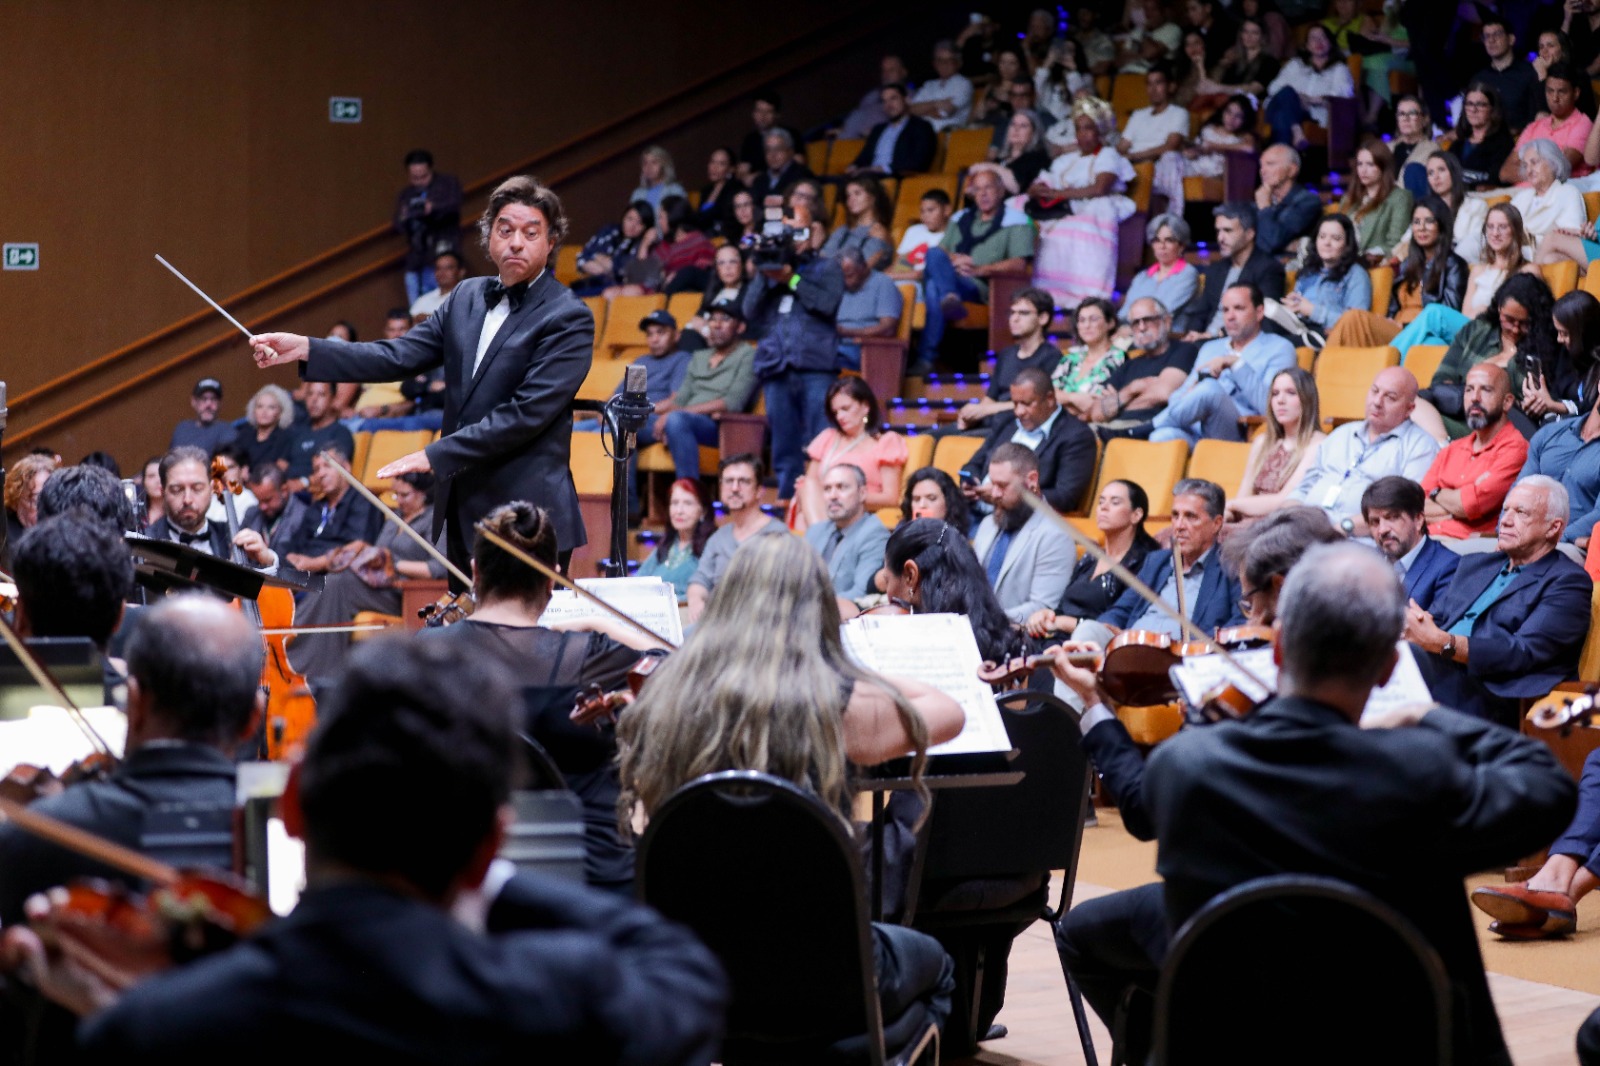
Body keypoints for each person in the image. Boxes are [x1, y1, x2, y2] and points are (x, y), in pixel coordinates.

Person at [29, 630, 725, 1062]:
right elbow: (683, 969)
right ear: (489, 848)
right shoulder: (561, 1000)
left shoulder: (147, 1033)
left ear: (292, 802)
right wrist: (487, 866)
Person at [1049, 539, 1575, 1065]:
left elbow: (1140, 808)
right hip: (1396, 1041)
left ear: (1277, 649)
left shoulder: (1186, 765)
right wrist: (1423, 714)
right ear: (1390, 667)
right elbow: (1549, 789)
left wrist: (1096, 702)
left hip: (1230, 1044)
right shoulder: (1419, 770)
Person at [615, 532, 960, 1043]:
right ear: (817, 610)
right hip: (820, 967)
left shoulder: (666, 698)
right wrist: (849, 669)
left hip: (688, 962)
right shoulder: (839, 709)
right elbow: (948, 710)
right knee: (937, 968)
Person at [251, 176, 593, 578]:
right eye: (506, 230)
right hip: (465, 508)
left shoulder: (568, 316)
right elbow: (397, 355)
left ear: (551, 242)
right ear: (488, 238)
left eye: (531, 233)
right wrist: (310, 348)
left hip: (528, 514)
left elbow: (525, 415)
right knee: (466, 636)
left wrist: (435, 454)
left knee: (520, 638)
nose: (516, 242)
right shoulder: (465, 296)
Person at [421, 502, 670, 893]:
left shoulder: (432, 653)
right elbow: (674, 664)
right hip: (591, 882)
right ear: (554, 579)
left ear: (474, 571)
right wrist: (597, 621)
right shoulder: (590, 654)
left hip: (465, 875)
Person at [1406, 476, 1593, 727]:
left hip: (1497, 690)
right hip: (1441, 666)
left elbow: (1523, 652)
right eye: (1505, 510)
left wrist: (1445, 644)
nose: (1504, 520)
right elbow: (1437, 618)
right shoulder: (1476, 564)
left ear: (1553, 528)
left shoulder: (1568, 581)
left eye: (1521, 512)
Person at [287, 470, 445, 683]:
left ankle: (303, 657)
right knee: (333, 581)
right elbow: (379, 550)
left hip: (404, 593)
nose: (398, 501)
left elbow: (437, 569)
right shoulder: (396, 517)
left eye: (405, 495)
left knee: (338, 584)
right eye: (395, 495)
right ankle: (296, 643)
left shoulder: (436, 520)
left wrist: (394, 563)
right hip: (377, 584)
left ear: (424, 494)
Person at [1069, 478, 1244, 652]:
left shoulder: (1231, 567)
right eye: (1175, 516)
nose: (1179, 526)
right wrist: (1110, 627)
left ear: (1216, 523)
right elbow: (1121, 610)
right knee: (1088, 630)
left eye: (1191, 517)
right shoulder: (1157, 561)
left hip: (1182, 658)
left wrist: (1196, 649)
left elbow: (1239, 625)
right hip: (1130, 649)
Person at [744, 207, 843, 502]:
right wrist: (766, 273)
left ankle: (824, 501)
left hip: (816, 366)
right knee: (784, 443)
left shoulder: (827, 267)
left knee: (820, 438)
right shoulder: (767, 270)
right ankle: (788, 501)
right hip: (776, 367)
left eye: (797, 232)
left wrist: (792, 278)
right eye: (784, 233)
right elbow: (749, 311)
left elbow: (826, 304)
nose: (791, 240)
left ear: (811, 232)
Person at [915, 168, 1035, 375]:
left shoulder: (1017, 220)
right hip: (954, 280)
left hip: (985, 288)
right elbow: (942, 253)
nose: (983, 194)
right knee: (934, 255)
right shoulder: (961, 217)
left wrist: (979, 269)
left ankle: (927, 358)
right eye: (977, 189)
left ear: (1000, 190)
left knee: (935, 285)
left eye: (988, 187)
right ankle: (949, 296)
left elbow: (1018, 264)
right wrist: (955, 261)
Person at [1413, 271, 1559, 442]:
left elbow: (1544, 400)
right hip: (1457, 413)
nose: (1516, 329)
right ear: (1499, 309)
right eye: (1509, 320)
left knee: (1413, 427)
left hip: (1499, 426)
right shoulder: (1477, 330)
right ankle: (1444, 446)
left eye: (1525, 323)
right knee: (1408, 407)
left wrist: (1536, 404)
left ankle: (1445, 447)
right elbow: (1442, 378)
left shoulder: (1545, 347)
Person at [1291, 367, 1440, 533]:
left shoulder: (1420, 447)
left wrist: (1342, 529)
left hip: (1356, 539)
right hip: (1305, 529)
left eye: (1390, 398)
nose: (1377, 401)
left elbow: (1403, 509)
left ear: (1409, 409)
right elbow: (1303, 489)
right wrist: (1283, 518)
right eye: (1374, 391)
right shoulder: (1341, 434)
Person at [1149, 282, 1298, 446]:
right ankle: (1151, 429)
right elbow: (1177, 397)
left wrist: (1237, 365)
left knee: (1210, 389)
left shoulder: (1280, 348)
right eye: (1225, 310)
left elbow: (1271, 406)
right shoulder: (1210, 348)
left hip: (1235, 430)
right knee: (1160, 436)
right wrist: (1189, 394)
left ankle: (1145, 427)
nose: (1230, 316)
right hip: (1195, 428)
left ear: (1259, 312)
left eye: (1239, 308)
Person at [1388, 202, 1540, 360]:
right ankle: (1394, 382)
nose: (1495, 233)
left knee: (1434, 312)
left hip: (1499, 337)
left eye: (1502, 227)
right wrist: (1480, 313)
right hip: (1471, 333)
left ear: (1515, 231)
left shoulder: (1528, 270)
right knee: (1430, 343)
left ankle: (1384, 364)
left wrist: (1489, 313)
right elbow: (1466, 314)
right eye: (1490, 227)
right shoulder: (1478, 270)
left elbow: (1530, 318)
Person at [1030, 97, 1137, 310]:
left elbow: (1100, 188)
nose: (1083, 134)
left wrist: (1059, 194)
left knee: (1075, 227)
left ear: (1100, 130)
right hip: (1063, 206)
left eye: (1088, 128)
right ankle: (1051, 294)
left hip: (1094, 205)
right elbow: (1043, 183)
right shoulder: (1065, 159)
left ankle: (1086, 295)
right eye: (1079, 129)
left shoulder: (1108, 155)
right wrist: (1037, 189)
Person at [1024, 479, 1161, 639]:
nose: (1103, 507)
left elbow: (1119, 620)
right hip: (1056, 636)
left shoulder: (1145, 562)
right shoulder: (1090, 557)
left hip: (1094, 644)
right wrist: (1046, 614)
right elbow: (1063, 605)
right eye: (1101, 501)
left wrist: (1064, 623)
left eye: (1115, 502)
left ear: (1136, 515)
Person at [1326, 197, 1469, 349]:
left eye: (1429, 221)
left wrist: (1406, 325)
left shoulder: (1454, 264)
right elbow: (1394, 308)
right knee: (1351, 320)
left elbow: (1448, 314)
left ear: (1441, 225)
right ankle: (1325, 370)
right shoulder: (1408, 264)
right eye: (1416, 222)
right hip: (1395, 329)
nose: (1421, 228)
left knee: (1355, 318)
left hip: (1418, 330)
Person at [881, 517, 1029, 664]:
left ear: (910, 575)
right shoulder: (1011, 643)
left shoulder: (908, 652)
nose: (887, 597)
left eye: (887, 580)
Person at [962, 367, 1098, 514]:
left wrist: (1008, 495)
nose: (1018, 411)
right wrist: (971, 484)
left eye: (1026, 404)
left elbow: (1065, 497)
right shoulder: (1007, 421)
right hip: (972, 510)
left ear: (1050, 399)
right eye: (1015, 404)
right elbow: (974, 464)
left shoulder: (1075, 436)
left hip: (1019, 521)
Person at [651, 300, 759, 482]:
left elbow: (732, 403)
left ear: (740, 327)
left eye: (725, 319)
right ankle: (628, 501)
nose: (716, 324)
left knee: (677, 420)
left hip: (718, 426)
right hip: (682, 420)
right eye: (712, 319)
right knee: (625, 425)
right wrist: (668, 416)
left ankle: (690, 492)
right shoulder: (700, 357)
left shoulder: (748, 355)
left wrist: (674, 415)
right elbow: (680, 399)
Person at [1418, 364, 1530, 540]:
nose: (1475, 398)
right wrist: (1454, 508)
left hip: (1471, 547)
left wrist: (1437, 492)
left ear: (1507, 402)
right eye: (1469, 390)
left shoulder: (1515, 449)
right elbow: (1418, 507)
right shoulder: (1453, 448)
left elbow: (1468, 505)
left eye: (1486, 390)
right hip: (1428, 540)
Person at [971, 443, 1075, 623]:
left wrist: (986, 622)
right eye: (992, 484)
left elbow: (1042, 608)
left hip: (1017, 638)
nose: (994, 494)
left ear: (1032, 481)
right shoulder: (988, 524)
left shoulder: (1055, 535)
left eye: (1002, 486)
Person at [795, 376, 907, 528]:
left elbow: (891, 497)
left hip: (858, 513)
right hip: (822, 510)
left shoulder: (885, 442)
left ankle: (822, 541)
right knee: (806, 491)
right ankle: (823, 539)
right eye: (835, 412)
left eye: (845, 409)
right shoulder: (828, 437)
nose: (840, 417)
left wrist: (846, 498)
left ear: (865, 406)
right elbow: (810, 484)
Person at [685, 454, 787, 622]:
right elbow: (700, 579)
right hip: (717, 624)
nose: (734, 488)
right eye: (728, 481)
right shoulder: (719, 537)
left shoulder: (777, 535)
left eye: (744, 481)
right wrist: (695, 601)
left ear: (759, 490)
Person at [950, 288, 1063, 435]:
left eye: (1023, 313)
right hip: (990, 422)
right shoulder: (1006, 354)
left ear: (1043, 318)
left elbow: (1036, 405)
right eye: (1012, 312)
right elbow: (990, 399)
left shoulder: (1051, 356)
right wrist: (973, 414)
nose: (1014, 318)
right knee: (929, 437)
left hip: (1015, 426)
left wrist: (988, 409)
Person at [146, 446, 277, 569]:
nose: (187, 499)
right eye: (176, 490)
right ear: (162, 492)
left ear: (212, 488)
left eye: (197, 488)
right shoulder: (145, 542)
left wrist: (268, 561)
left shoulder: (230, 535)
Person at [1226, 367, 1326, 524]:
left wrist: (1231, 505)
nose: (1280, 400)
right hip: (1247, 522)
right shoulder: (1262, 442)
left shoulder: (1318, 444)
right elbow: (1244, 494)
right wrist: (1227, 513)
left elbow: (1284, 500)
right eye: (1275, 393)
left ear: (1307, 399)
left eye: (1291, 393)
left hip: (1283, 526)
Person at [1082, 298, 1199, 432]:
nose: (1142, 328)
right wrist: (1133, 389)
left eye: (1148, 320)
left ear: (1166, 322)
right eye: (1136, 323)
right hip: (1112, 427)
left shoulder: (1183, 350)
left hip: (1148, 426)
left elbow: (1163, 393)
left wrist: (1117, 402)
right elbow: (1097, 413)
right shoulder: (1129, 364)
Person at [1174, 203, 1286, 339]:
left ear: (1249, 234)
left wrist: (1215, 335)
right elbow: (1200, 314)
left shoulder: (1268, 269)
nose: (1220, 238)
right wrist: (1193, 334)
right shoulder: (1215, 269)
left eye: (1228, 231)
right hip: (1204, 342)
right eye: (1218, 231)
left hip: (1238, 342)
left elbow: (1267, 321)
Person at [1360, 475, 1460, 613]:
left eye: (1393, 518)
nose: (1382, 530)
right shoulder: (1365, 563)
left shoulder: (1449, 567)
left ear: (1418, 520)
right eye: (1375, 522)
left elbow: (1434, 629)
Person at [1152, 94, 1259, 221]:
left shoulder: (1244, 136)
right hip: (1194, 164)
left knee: (1168, 172)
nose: (1231, 119)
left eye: (1238, 116)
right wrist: (1192, 151)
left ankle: (1172, 215)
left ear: (1245, 119)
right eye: (1228, 112)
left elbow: (1249, 148)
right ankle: (1171, 211)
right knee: (1168, 157)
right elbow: (1197, 148)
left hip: (1212, 171)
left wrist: (1214, 146)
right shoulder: (1210, 127)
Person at [278, 449, 382, 574]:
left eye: (327, 466)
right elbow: (295, 545)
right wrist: (291, 557)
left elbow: (361, 546)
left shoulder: (364, 501)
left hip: (336, 575)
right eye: (316, 469)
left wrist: (315, 564)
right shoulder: (316, 507)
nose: (321, 474)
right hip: (300, 574)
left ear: (346, 467)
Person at [804, 464, 892, 602]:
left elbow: (861, 593)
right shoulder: (815, 531)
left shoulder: (874, 534)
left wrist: (812, 607)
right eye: (827, 489)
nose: (832, 496)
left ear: (862, 493)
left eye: (841, 487)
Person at [1279, 213, 1372, 341]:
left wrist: (1312, 311)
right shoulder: (1308, 271)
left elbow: (1355, 325)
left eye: (1336, 238)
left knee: (1277, 342)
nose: (1327, 243)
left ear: (1347, 245)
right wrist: (1292, 306)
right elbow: (1298, 306)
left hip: (1328, 336)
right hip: (1298, 327)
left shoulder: (1356, 274)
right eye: (1322, 237)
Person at [1262, 25, 1355, 151]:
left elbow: (1344, 94)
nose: (1318, 42)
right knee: (1287, 92)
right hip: (1278, 105)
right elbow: (1273, 88)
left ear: (1330, 43)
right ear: (1306, 45)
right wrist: (1297, 98)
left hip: (1312, 114)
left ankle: (1282, 159)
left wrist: (1311, 100)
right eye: (1313, 38)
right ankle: (1297, 131)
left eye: (1323, 37)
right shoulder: (1295, 64)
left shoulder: (1339, 69)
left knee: (1281, 115)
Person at [1501, 62, 1594, 184]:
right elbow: (1505, 172)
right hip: (1523, 195)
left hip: (1558, 195)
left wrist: (1526, 170)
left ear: (1575, 93)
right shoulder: (1535, 126)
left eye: (1562, 91)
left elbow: (1559, 168)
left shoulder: (1583, 124)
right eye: (1550, 91)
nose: (1555, 98)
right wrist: (1537, 174)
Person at [392, 149, 462, 305]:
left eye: (423, 176)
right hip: (416, 258)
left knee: (442, 306)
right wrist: (404, 216)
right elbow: (397, 225)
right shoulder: (406, 194)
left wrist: (433, 207)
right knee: (417, 309)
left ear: (430, 169)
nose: (419, 181)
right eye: (414, 177)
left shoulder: (446, 185)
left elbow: (454, 205)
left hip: (441, 253)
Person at [636, 479, 715, 602]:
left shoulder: (712, 547)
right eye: (674, 503)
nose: (679, 511)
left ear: (703, 511)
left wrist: (667, 601)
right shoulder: (666, 545)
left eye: (688, 503)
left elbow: (710, 595)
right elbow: (638, 582)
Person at [1117, 215, 1200, 328]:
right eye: (1156, 240)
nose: (1162, 246)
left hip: (1170, 337)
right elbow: (1125, 312)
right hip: (1134, 332)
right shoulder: (1142, 277)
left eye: (1169, 240)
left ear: (1181, 246)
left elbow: (1163, 311)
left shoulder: (1188, 274)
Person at [1339, 139, 1413, 260]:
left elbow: (1395, 244)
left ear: (1383, 166)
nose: (1363, 170)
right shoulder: (1348, 198)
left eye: (1370, 164)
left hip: (1371, 265)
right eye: (1360, 164)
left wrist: (1371, 256)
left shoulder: (1399, 198)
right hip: (1340, 260)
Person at [1510, 139, 1588, 254]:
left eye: (1534, 162)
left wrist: (1527, 239)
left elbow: (1571, 238)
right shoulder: (1520, 198)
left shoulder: (1567, 193)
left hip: (1545, 258)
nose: (1529, 170)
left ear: (1553, 162)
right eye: (1526, 165)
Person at [833, 247, 903, 372]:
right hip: (836, 344)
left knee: (822, 359)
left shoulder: (883, 283)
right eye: (841, 276)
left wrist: (847, 332)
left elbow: (888, 328)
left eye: (849, 276)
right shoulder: (838, 285)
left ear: (864, 267)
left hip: (865, 349)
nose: (845, 282)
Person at [849, 83, 937, 177]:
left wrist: (882, 169)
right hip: (868, 176)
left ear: (906, 100)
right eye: (884, 101)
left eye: (893, 98)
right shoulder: (878, 130)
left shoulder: (921, 127)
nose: (888, 105)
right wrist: (854, 166)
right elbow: (864, 157)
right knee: (833, 181)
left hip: (894, 176)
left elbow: (919, 162)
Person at [1251, 144, 1324, 258]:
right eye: (1261, 166)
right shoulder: (1258, 202)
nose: (1263, 171)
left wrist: (1265, 207)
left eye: (1270, 164)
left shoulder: (1308, 201)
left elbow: (1273, 241)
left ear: (1292, 170)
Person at [1473, 15, 1542, 133]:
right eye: (1486, 36)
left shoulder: (1529, 73)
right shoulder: (1479, 79)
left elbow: (1537, 116)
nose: (1491, 40)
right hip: (1485, 142)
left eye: (1497, 34)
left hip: (1520, 141)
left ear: (1511, 39)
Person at [1051, 298, 1127, 406]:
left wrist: (1064, 398)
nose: (1087, 325)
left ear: (1110, 323)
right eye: (1082, 320)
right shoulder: (1071, 358)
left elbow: (1098, 403)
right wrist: (1073, 398)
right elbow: (1049, 394)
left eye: (1094, 319)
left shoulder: (1119, 359)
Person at [572, 201, 654, 297]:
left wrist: (601, 261)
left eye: (639, 223)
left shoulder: (642, 245)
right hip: (590, 284)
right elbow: (583, 255)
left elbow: (626, 271)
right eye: (629, 219)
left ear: (646, 227)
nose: (632, 226)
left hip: (615, 291)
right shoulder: (609, 231)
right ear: (623, 217)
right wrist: (602, 267)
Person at [1116, 66, 1190, 169]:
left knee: (1171, 157)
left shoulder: (1179, 113)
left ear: (1171, 86)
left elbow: (1170, 146)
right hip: (1130, 164)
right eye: (1149, 84)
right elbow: (1122, 146)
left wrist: (1133, 156)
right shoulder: (1138, 115)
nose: (1153, 89)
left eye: (1158, 83)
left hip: (1159, 164)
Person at [285, 381, 356, 486]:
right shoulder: (296, 431)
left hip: (316, 492)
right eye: (310, 394)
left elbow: (336, 473)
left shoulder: (340, 433)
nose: (314, 400)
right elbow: (282, 464)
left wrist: (304, 483)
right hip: (287, 491)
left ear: (333, 399)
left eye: (321, 394)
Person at [1449, 82, 1517, 191]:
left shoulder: (1503, 143)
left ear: (1492, 109)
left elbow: (1495, 181)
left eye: (1480, 104)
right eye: (1469, 104)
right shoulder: (1458, 144)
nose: (1473, 110)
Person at [241, 464, 309, 559]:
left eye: (267, 500)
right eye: (259, 500)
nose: (262, 507)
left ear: (284, 491)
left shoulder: (303, 516)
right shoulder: (252, 513)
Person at [839, 54, 914, 139]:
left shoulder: (912, 97)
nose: (886, 75)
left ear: (903, 72)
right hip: (855, 143)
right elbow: (855, 119)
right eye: (883, 71)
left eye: (891, 70)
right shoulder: (871, 97)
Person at [736, 90, 804, 181]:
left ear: (777, 115)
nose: (762, 116)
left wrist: (762, 176)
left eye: (768, 112)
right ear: (753, 114)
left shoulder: (791, 133)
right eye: (759, 111)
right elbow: (742, 171)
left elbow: (799, 162)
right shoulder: (750, 139)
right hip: (758, 187)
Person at [233, 384, 298, 476]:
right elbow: (233, 460)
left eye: (271, 407)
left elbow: (279, 471)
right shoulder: (244, 433)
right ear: (254, 410)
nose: (264, 411)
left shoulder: (286, 437)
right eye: (260, 406)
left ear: (281, 413)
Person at [910, 40, 975, 132]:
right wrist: (935, 104)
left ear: (958, 63)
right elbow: (911, 110)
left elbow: (944, 112)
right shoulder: (929, 85)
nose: (944, 64)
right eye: (940, 60)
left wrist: (923, 110)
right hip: (923, 134)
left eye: (949, 60)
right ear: (935, 64)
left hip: (950, 136)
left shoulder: (964, 84)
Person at [892, 188, 953, 278]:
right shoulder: (913, 230)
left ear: (947, 210)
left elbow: (931, 272)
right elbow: (899, 261)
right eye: (922, 211)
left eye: (930, 210)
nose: (925, 216)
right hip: (901, 277)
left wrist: (892, 276)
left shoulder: (953, 235)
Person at [169, 376, 234, 455]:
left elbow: (222, 466)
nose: (208, 404)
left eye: (213, 399)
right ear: (193, 402)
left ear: (220, 403)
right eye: (203, 399)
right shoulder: (181, 428)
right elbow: (170, 460)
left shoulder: (227, 432)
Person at [897, 467, 971, 535]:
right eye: (916, 499)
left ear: (948, 502)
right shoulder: (901, 533)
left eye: (931, 498)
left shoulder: (957, 537)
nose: (922, 505)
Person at [746, 129, 811, 205]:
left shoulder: (803, 176)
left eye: (778, 149)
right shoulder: (759, 180)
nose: (773, 155)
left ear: (790, 151)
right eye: (768, 150)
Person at [693, 146, 744, 237]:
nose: (714, 167)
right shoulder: (706, 190)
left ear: (731, 169)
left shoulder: (735, 189)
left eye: (721, 164)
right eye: (712, 162)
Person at [408, 250, 466, 323]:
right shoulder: (423, 299)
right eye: (438, 268)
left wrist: (429, 318)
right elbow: (408, 321)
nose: (442, 273)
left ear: (461, 271)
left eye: (448, 268)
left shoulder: (466, 296)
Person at [628, 145, 686, 213]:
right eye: (645, 163)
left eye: (654, 162)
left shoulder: (675, 190)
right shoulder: (637, 194)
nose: (649, 167)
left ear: (664, 166)